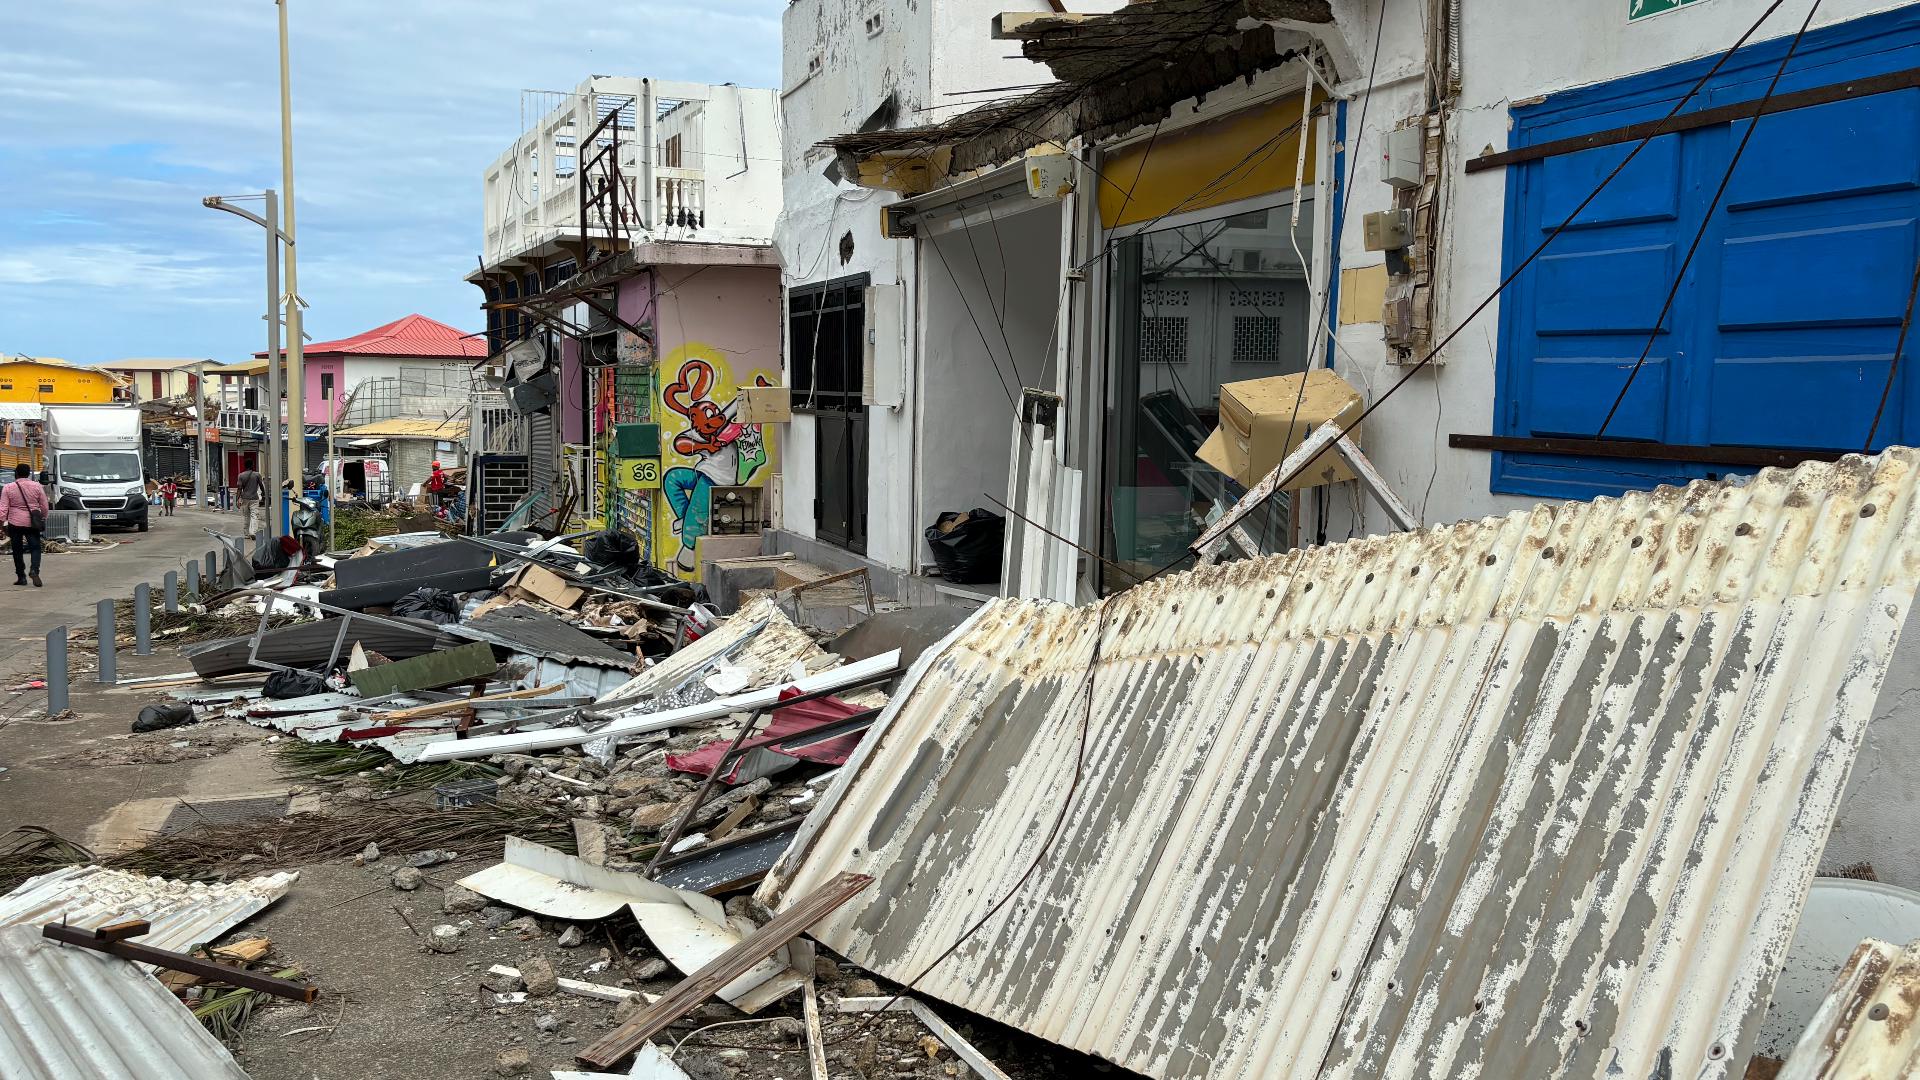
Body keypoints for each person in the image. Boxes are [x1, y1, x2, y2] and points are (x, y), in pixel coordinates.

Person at [1, 462, 50, 587]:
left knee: (17, 550)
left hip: (14, 522)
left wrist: (1, 522)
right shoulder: (37, 486)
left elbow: (3, 508)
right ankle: (34, 570)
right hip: (32, 523)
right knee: (35, 547)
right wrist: (43, 517)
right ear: (28, 474)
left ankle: (21, 577)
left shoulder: (8, 487)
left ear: (16, 473)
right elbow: (44, 505)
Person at [235, 464, 266, 539]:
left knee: (246, 516)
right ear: (253, 466)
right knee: (254, 515)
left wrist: (237, 499)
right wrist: (264, 495)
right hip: (254, 498)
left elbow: (239, 488)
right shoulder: (257, 475)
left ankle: (246, 534)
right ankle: (253, 532)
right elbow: (261, 485)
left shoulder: (241, 475)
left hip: (245, 498)